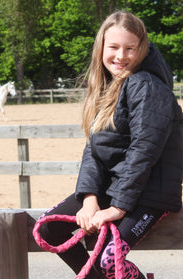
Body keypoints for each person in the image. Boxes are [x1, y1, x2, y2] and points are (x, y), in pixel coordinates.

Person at [38, 11, 183, 279]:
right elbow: (95, 148)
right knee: (48, 229)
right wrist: (90, 200)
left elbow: (144, 151)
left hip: (150, 192)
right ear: (101, 48)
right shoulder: (107, 85)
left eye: (131, 48)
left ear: (142, 49)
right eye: (114, 47)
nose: (121, 55)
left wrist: (117, 208)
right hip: (114, 185)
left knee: (106, 258)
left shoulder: (148, 87)